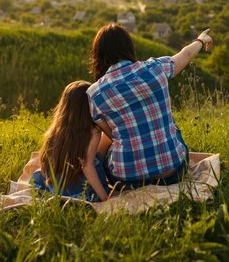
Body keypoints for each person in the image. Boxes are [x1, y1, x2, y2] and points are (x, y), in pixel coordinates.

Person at [87, 23, 212, 189]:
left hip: (126, 180)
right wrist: (201, 40)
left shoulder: (95, 93)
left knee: (109, 137)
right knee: (171, 126)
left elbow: (112, 136)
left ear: (98, 54)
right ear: (128, 47)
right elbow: (186, 54)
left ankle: (92, 174)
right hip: (173, 172)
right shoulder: (156, 68)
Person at [32, 80, 111, 201]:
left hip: (58, 190)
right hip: (84, 191)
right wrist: (104, 197)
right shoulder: (93, 130)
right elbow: (87, 165)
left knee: (39, 175)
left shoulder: (55, 131)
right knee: (101, 149)